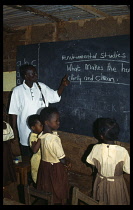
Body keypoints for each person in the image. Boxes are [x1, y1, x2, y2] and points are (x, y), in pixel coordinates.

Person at [8, 64, 70, 157]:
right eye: (33, 74)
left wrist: (62, 85)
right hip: (25, 130)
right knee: (28, 156)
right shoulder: (17, 91)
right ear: (26, 76)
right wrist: (13, 130)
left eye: (36, 73)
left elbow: (55, 97)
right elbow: (13, 112)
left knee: (43, 155)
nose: (36, 75)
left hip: (43, 129)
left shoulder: (41, 87)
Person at [86, 118, 130, 205]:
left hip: (100, 181)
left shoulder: (95, 148)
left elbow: (91, 162)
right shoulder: (122, 151)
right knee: (116, 201)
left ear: (101, 136)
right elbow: (128, 170)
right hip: (116, 184)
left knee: (100, 200)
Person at [35, 107, 71, 205]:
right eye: (56, 121)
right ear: (47, 122)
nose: (59, 122)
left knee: (47, 188)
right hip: (55, 168)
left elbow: (35, 150)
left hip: (45, 166)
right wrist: (67, 162)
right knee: (58, 190)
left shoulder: (42, 135)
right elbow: (62, 160)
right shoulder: (54, 140)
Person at [3, 104, 17, 199]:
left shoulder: (6, 125)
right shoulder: (6, 125)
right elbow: (12, 138)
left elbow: (12, 138)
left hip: (5, 154)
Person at [27, 114, 43, 186]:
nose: (43, 127)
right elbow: (34, 150)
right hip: (37, 162)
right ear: (33, 127)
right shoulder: (33, 137)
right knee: (38, 179)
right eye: (40, 125)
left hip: (44, 161)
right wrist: (40, 138)